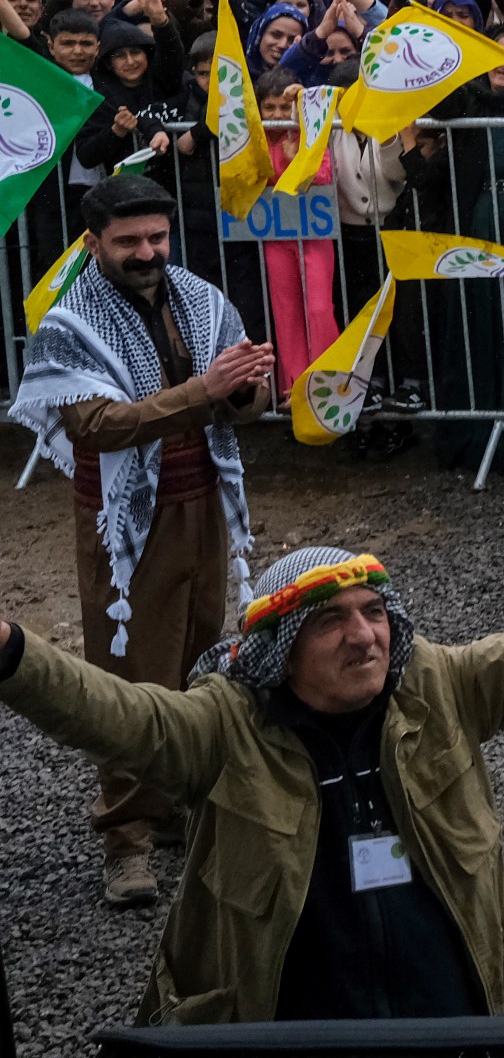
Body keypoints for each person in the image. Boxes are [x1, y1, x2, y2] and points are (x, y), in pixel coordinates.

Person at [0, 453, 504, 1024]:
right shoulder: (224, 726)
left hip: (453, 1021)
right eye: (332, 623)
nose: (365, 637)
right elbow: (112, 714)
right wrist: (12, 653)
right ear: (278, 653)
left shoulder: (440, 687)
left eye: (375, 613)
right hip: (291, 1032)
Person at [4, 176, 274, 908]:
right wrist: (208, 391)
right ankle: (126, 835)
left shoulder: (201, 299)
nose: (148, 252)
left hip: (202, 503)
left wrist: (247, 389)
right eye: (129, 242)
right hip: (124, 521)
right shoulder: (70, 321)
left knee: (198, 655)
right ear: (93, 244)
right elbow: (98, 426)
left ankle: (185, 797)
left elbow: (242, 407)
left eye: (156, 237)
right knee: (128, 672)